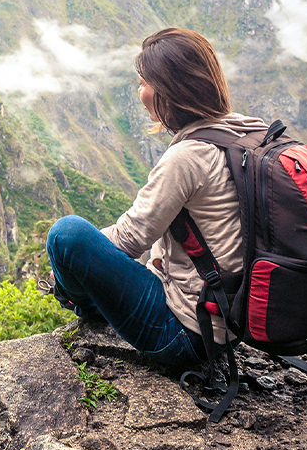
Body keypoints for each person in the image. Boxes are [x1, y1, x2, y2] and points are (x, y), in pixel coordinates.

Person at [44, 27, 267, 376]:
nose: (140, 91)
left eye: (145, 83)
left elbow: (129, 239)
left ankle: (75, 299)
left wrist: (73, 265)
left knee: (65, 235)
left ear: (168, 91)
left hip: (184, 333)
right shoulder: (248, 132)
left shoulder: (187, 157)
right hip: (232, 320)